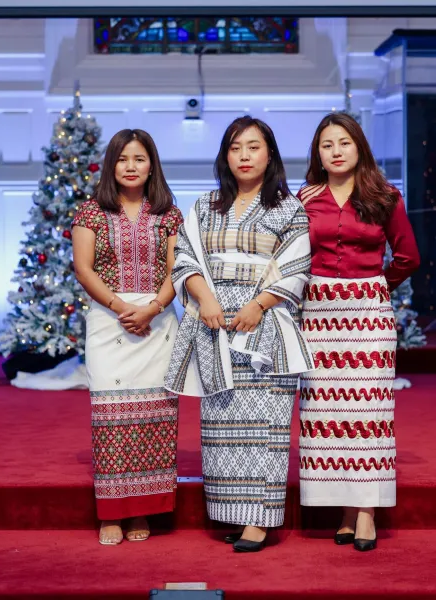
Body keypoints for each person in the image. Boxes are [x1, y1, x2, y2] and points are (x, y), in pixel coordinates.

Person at [165, 116, 314, 553]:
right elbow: (185, 258)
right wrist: (205, 299)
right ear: (225, 156)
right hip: (213, 323)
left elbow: (297, 265)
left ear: (270, 154)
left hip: (265, 323)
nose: (244, 156)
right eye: (235, 148)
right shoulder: (205, 205)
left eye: (253, 147)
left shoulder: (289, 208)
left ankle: (259, 520)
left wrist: (258, 304)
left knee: (267, 426)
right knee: (222, 426)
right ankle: (235, 512)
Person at [297, 112, 420, 551]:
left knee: (368, 417)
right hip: (318, 316)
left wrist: (375, 287)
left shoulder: (386, 196)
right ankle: (343, 511)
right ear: (318, 153)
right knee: (325, 417)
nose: (336, 151)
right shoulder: (305, 198)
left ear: (359, 147)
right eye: (327, 144)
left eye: (344, 142)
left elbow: (408, 257)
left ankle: (365, 510)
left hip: (368, 315)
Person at [72, 129, 183, 545]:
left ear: (152, 165)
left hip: (157, 322)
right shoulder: (90, 212)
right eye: (122, 159)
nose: (131, 166)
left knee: (154, 418)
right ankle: (113, 512)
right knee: (111, 418)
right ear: (111, 165)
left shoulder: (169, 214)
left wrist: (152, 308)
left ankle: (143, 509)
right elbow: (84, 269)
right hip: (109, 321)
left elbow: (177, 270)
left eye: (139, 158)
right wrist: (122, 307)